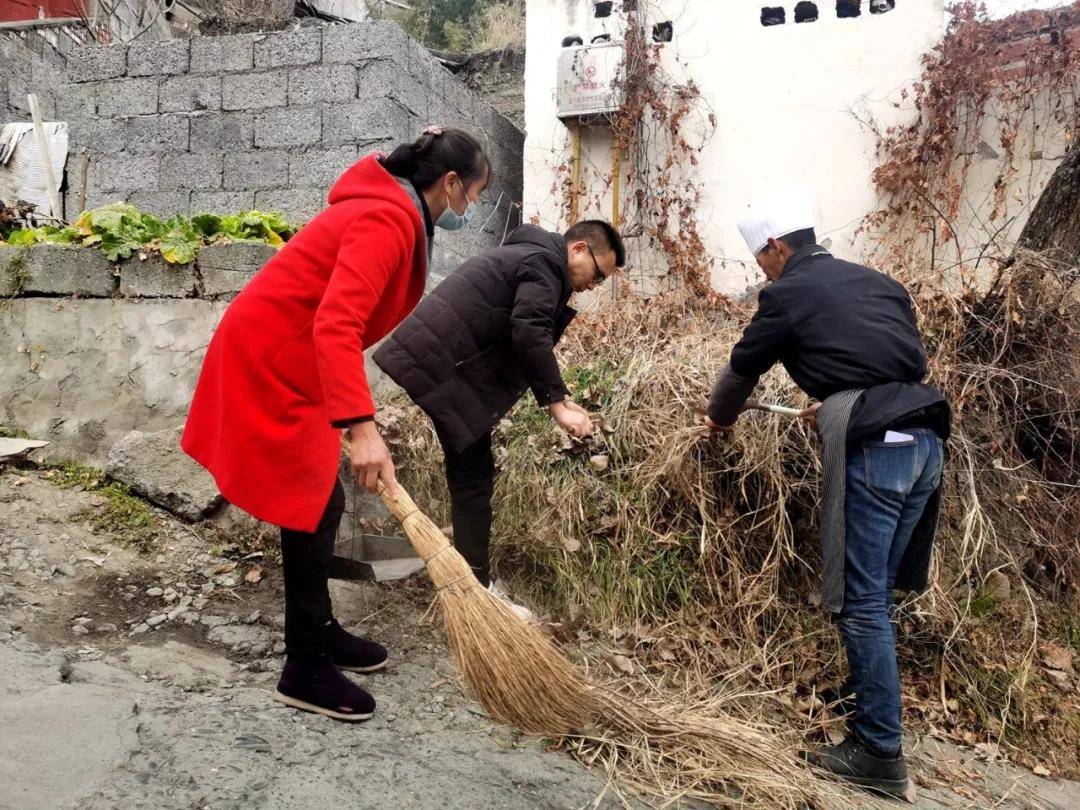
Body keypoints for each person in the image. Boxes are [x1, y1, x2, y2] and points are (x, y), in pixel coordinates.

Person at [181, 128, 492, 722]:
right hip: (273, 356)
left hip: (285, 353)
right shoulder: (387, 219)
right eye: (472, 194)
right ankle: (304, 664)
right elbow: (336, 324)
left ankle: (320, 632)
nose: (469, 208)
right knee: (313, 505)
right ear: (449, 184)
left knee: (317, 504)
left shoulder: (390, 211)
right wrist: (362, 426)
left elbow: (335, 324)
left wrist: (353, 419)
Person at [705, 190, 950, 798]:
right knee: (880, 592)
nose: (762, 270)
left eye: (761, 258)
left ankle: (880, 754)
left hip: (876, 448)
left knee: (859, 599)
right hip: (924, 442)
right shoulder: (880, 282)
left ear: (776, 247)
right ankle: (870, 696)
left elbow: (742, 368)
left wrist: (718, 421)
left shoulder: (786, 293)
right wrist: (839, 397)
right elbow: (895, 363)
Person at [373, 219, 625, 616]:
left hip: (446, 366)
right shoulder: (545, 265)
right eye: (598, 274)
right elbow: (529, 331)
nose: (593, 285)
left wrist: (562, 395)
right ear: (578, 249)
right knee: (473, 479)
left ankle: (471, 578)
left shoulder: (531, 256)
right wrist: (556, 405)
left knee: (472, 475)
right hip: (445, 368)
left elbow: (524, 331)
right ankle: (476, 588)